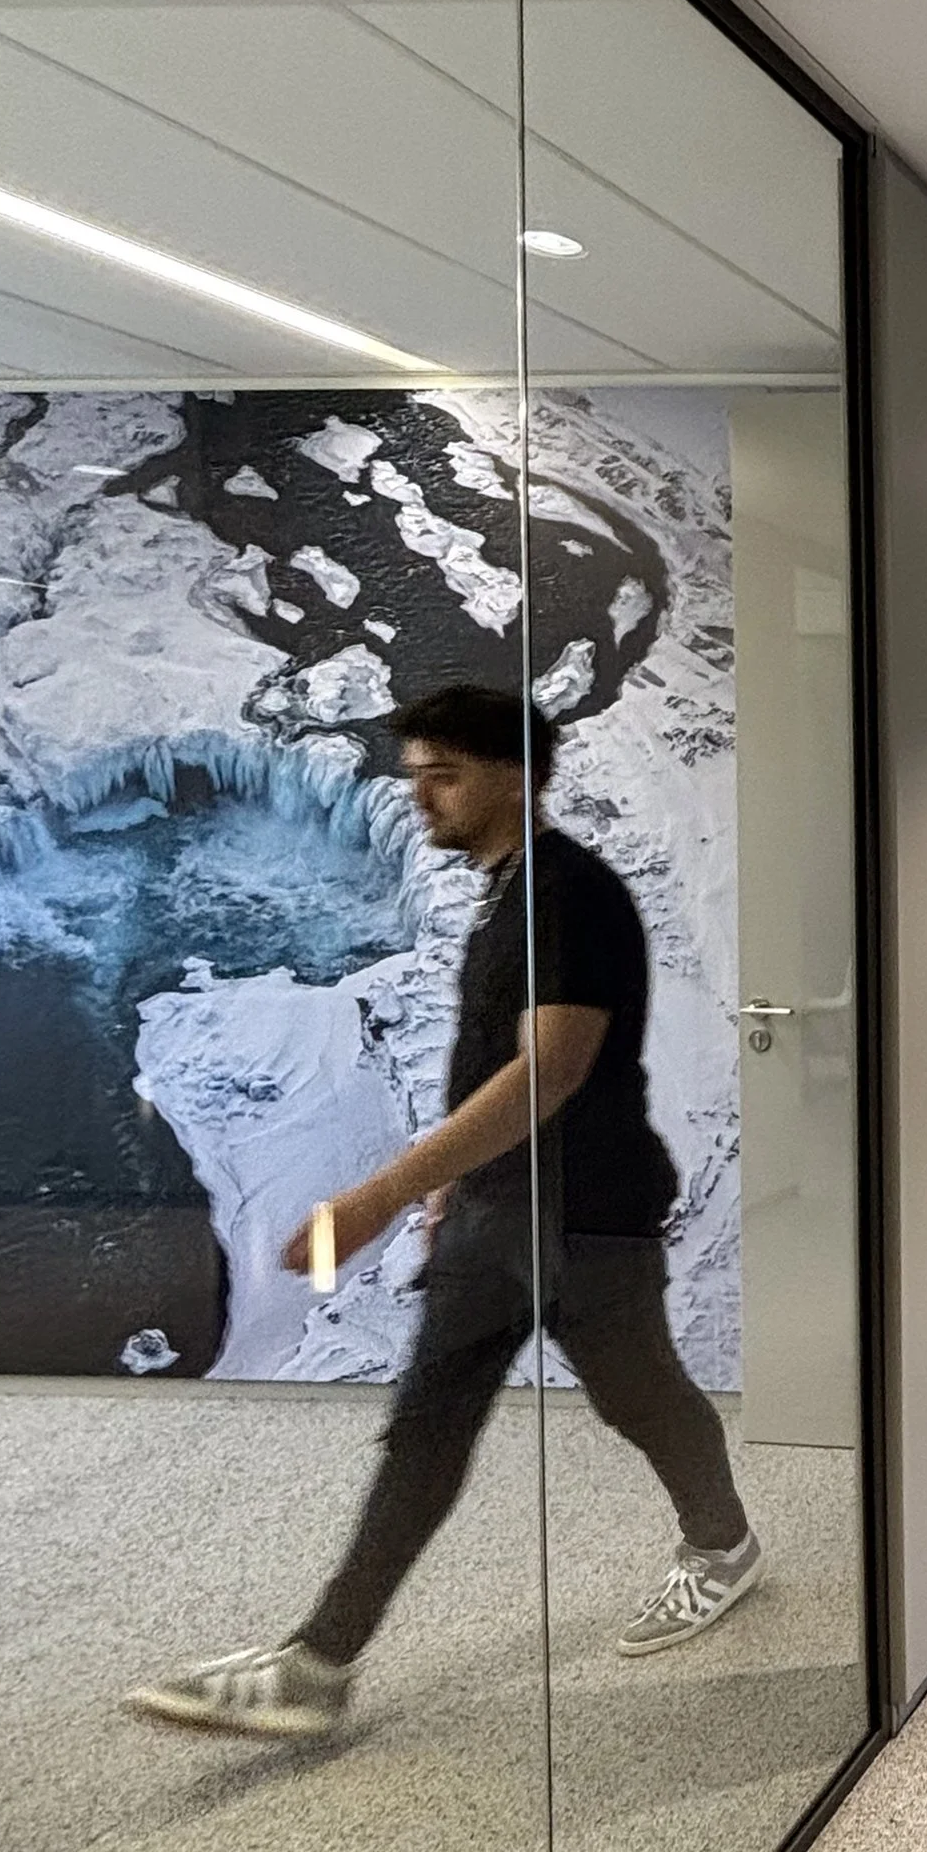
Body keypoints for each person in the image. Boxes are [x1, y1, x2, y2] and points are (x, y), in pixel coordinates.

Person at [125, 683, 760, 1741]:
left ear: (514, 775)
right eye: (415, 773)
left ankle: (722, 1543)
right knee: (426, 1425)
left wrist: (384, 1192)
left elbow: (551, 1071)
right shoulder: (508, 893)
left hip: (586, 1215)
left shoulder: (571, 892)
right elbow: (494, 1068)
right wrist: (456, 1188)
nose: (421, 796)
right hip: (496, 1215)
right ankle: (319, 1663)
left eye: (445, 774)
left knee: (638, 1397)